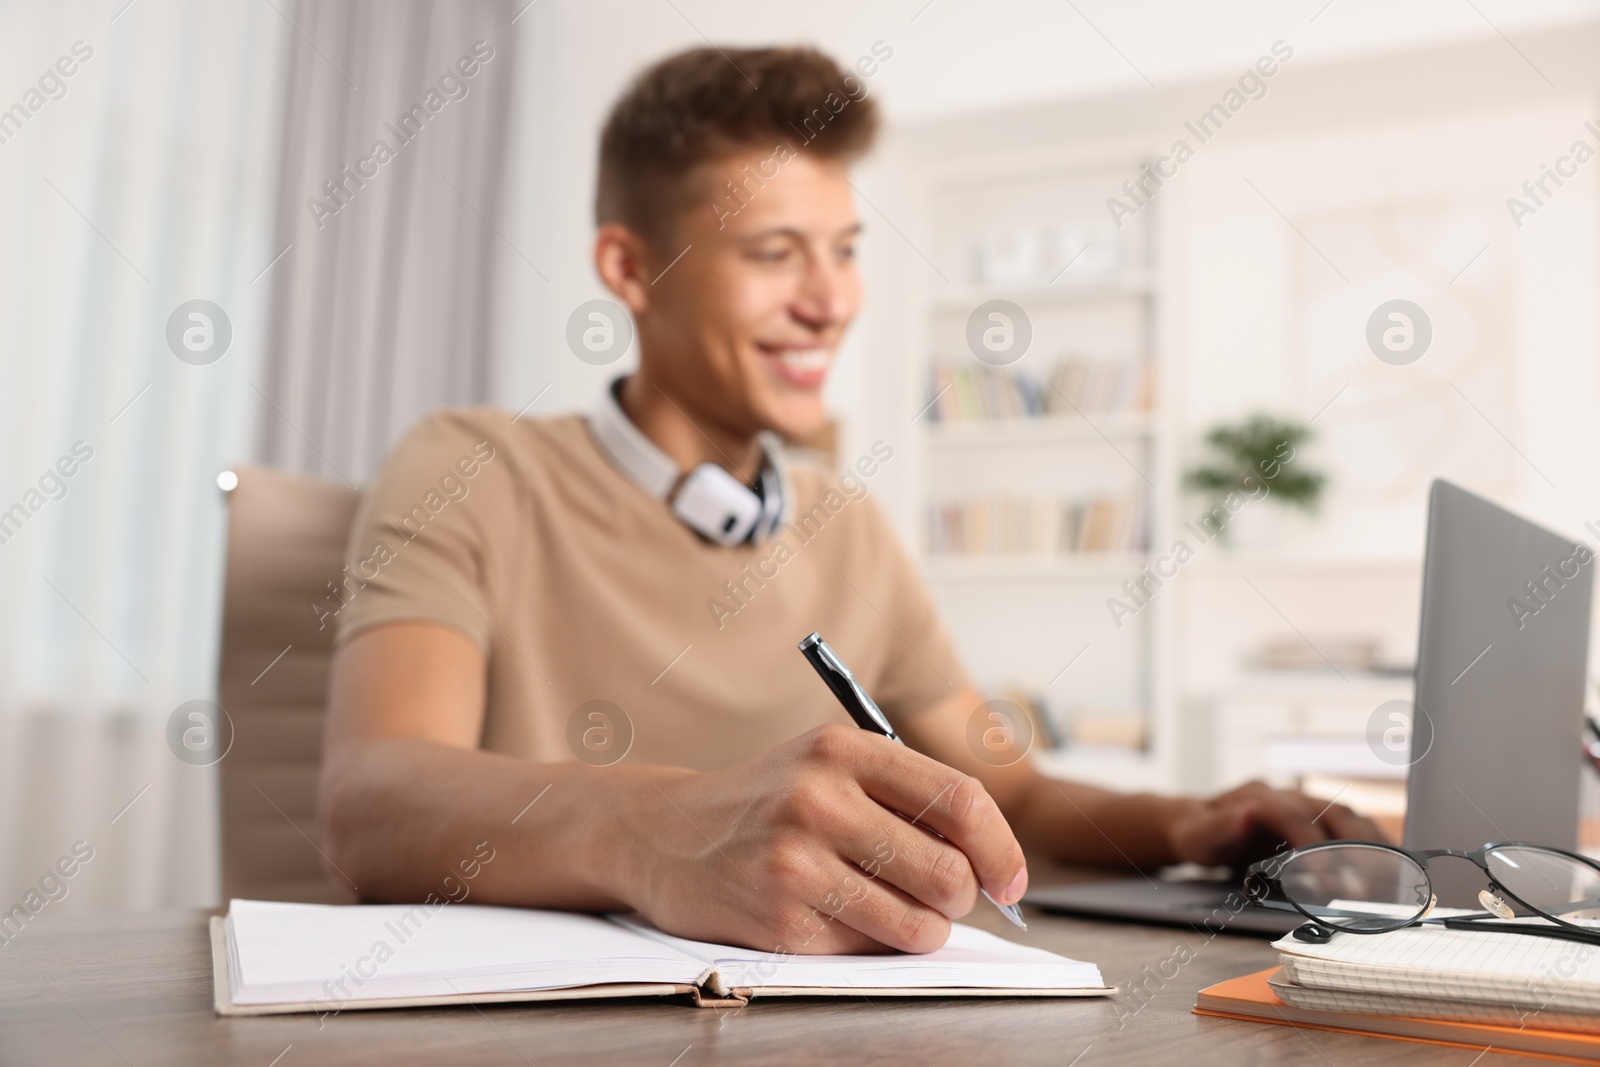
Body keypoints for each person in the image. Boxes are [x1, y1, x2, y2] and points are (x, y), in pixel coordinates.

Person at [317, 44, 1379, 956]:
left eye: (843, 250)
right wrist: (659, 825)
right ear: (629, 268)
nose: (829, 301)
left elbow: (1007, 792)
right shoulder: (470, 465)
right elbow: (372, 803)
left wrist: (1190, 819)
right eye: (774, 252)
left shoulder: (846, 521)